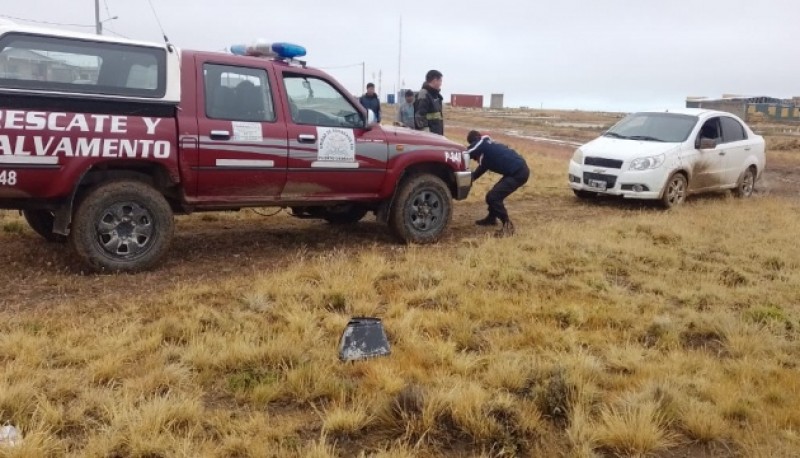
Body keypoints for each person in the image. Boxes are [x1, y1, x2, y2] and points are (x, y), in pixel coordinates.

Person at [466, 130, 530, 236]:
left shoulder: (484, 143)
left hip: (518, 172)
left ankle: (508, 226)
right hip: (515, 171)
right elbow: (477, 173)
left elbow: (466, 152)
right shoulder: (488, 152)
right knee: (494, 194)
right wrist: (466, 180)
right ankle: (491, 219)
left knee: (493, 197)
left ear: (476, 140)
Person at [414, 70, 444, 135]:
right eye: (440, 81)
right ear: (435, 80)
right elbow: (420, 115)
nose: (441, 83)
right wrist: (426, 133)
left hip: (437, 134)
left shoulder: (436, 96)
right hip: (429, 136)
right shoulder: (424, 94)